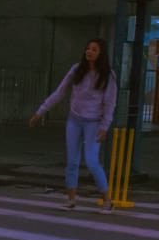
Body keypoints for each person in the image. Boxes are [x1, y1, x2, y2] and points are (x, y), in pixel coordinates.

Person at [30, 38, 118, 213]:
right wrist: (41, 111)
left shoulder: (108, 75)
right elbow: (60, 91)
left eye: (94, 49)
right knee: (72, 161)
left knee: (92, 161)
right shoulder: (77, 69)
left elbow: (110, 103)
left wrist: (104, 127)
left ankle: (107, 200)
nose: (89, 52)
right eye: (88, 48)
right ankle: (71, 199)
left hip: (94, 122)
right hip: (74, 120)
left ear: (101, 53)